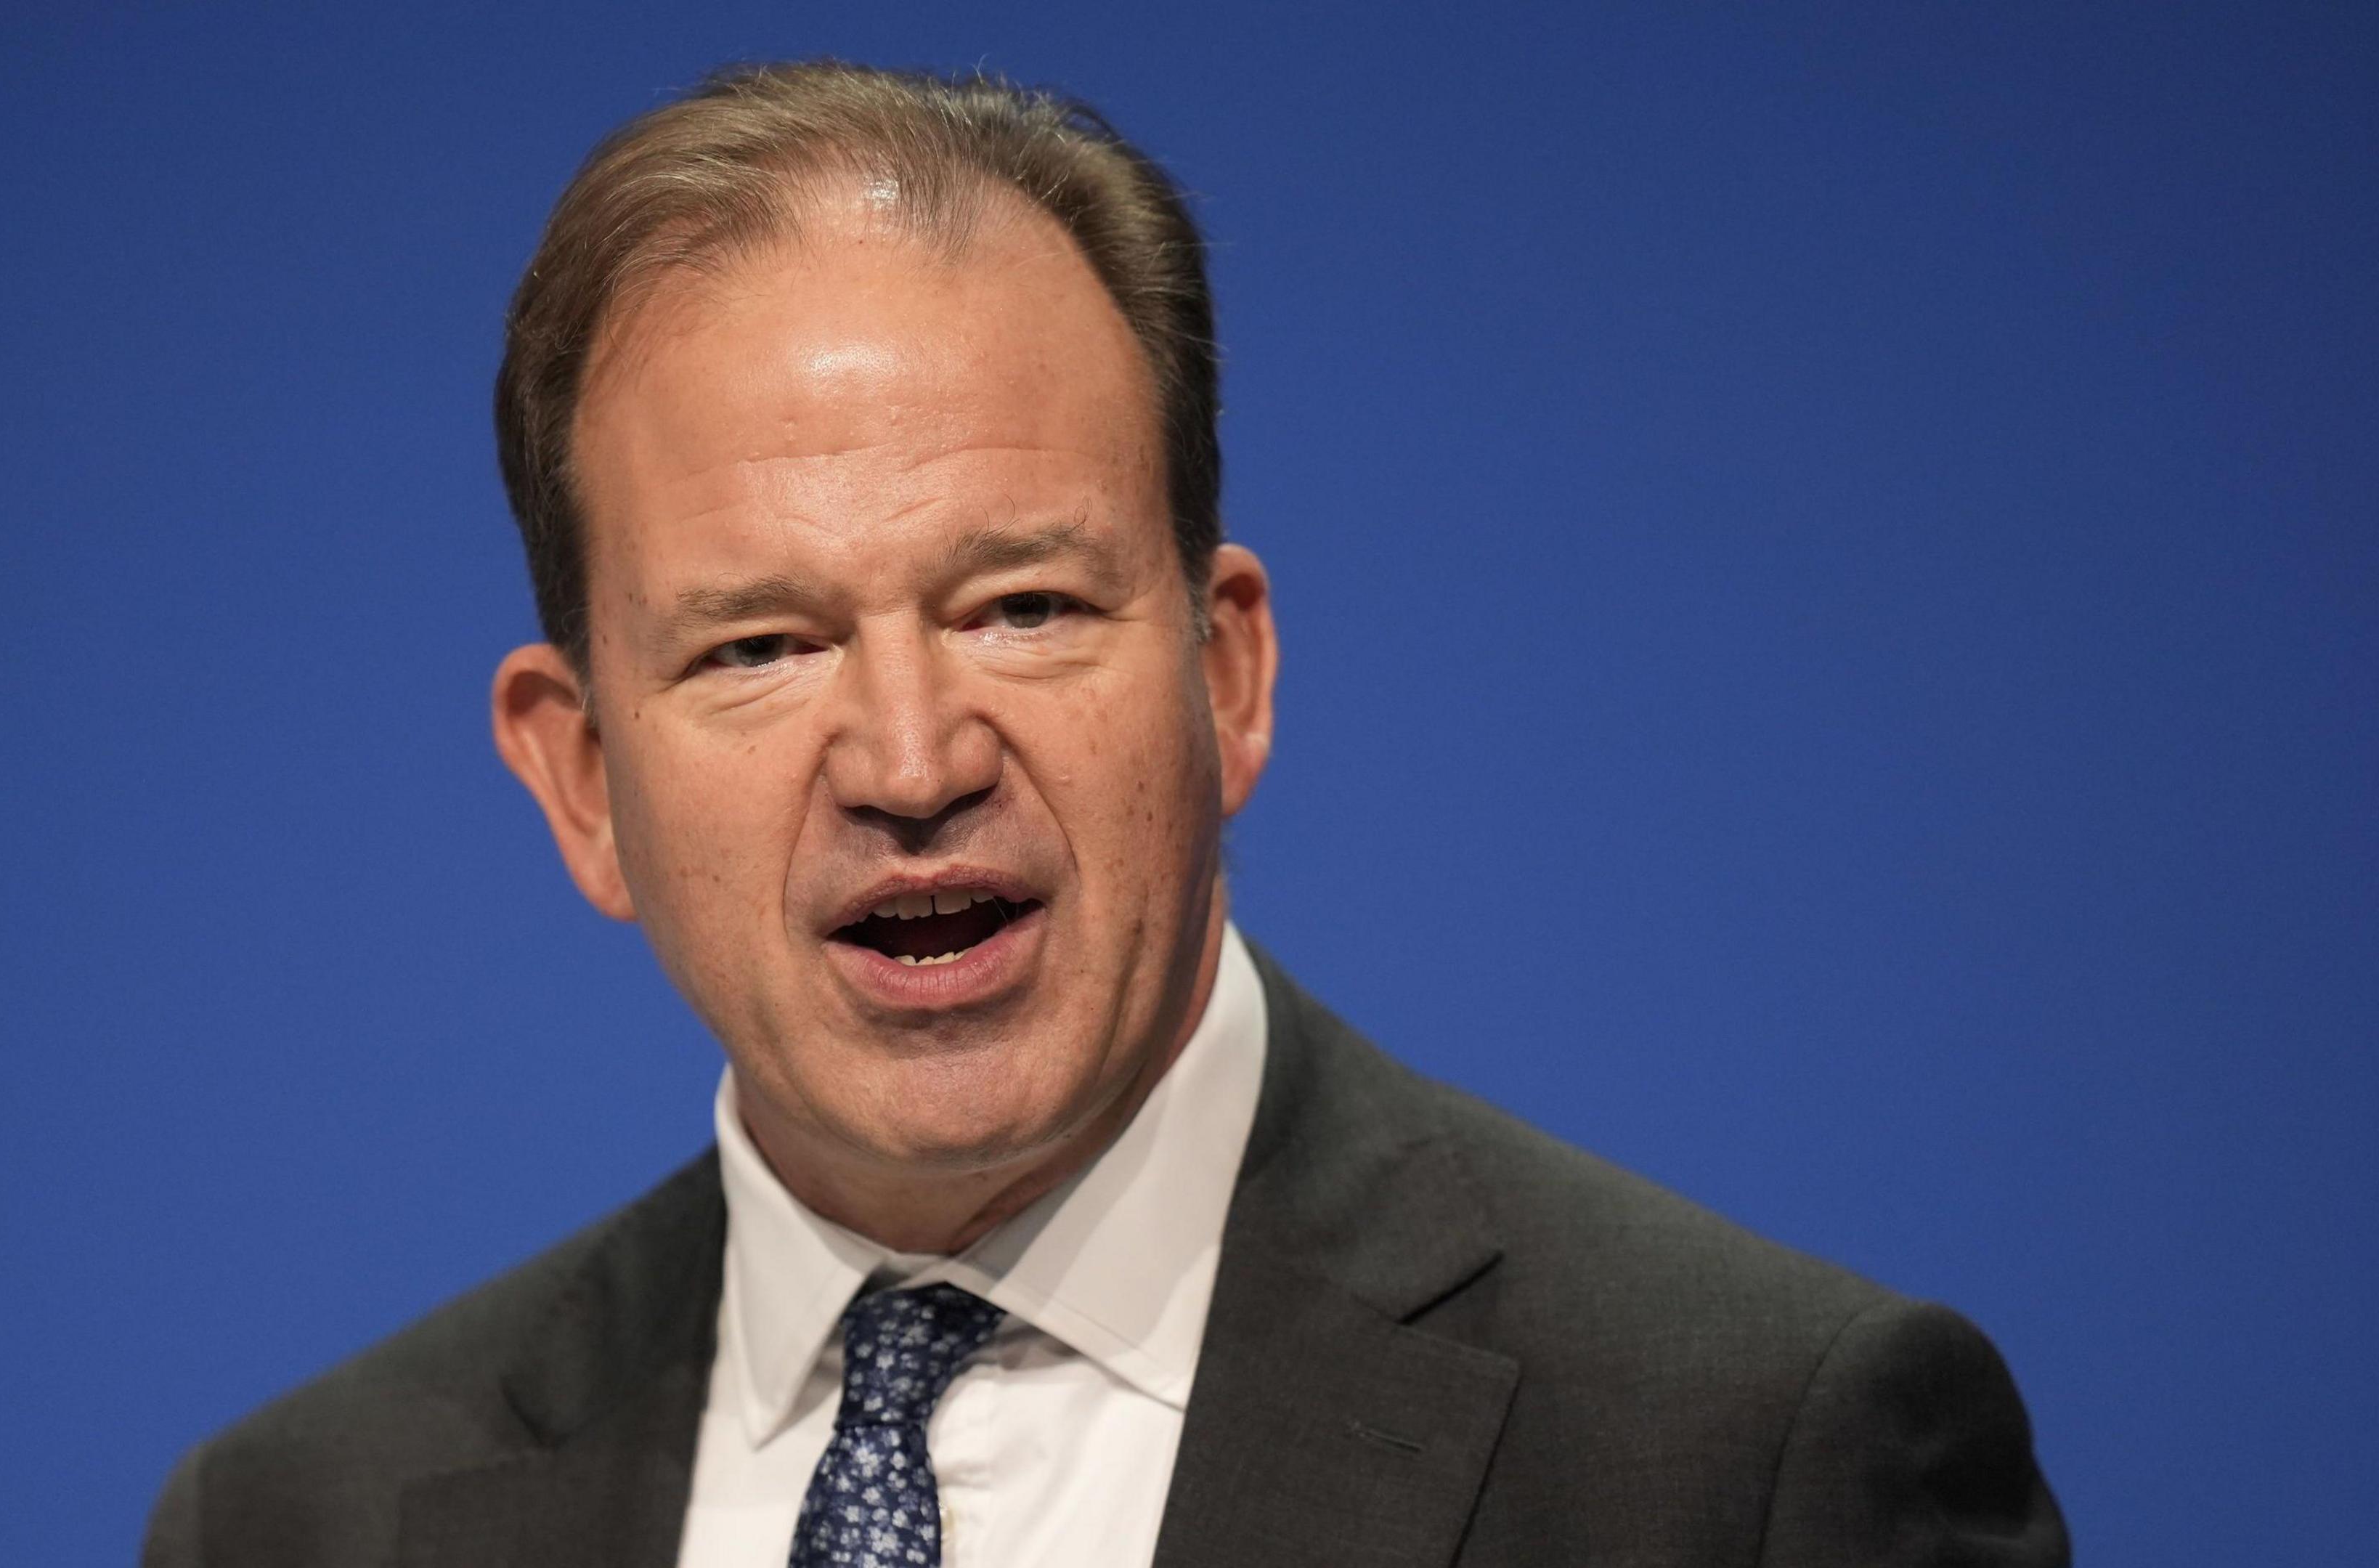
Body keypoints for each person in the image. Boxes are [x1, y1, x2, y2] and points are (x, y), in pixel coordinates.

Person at [142, 61, 2068, 1568]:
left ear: (1226, 673)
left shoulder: (1751, 1467)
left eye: (1022, 608)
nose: (911, 762)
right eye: (757, 647)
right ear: (580, 781)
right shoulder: (301, 1525)